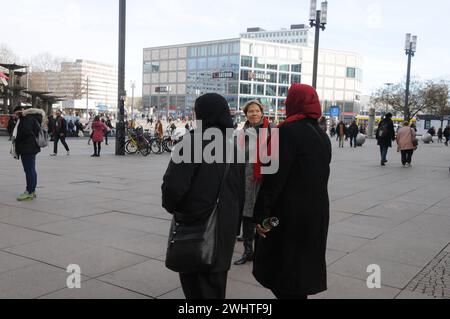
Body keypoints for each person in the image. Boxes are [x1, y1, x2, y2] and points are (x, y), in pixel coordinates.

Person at [252, 84, 332, 299]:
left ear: (293, 102)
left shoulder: (285, 132)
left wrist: (260, 215)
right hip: (315, 213)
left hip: (284, 216)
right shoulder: (321, 135)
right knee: (299, 270)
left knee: (280, 268)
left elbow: (273, 181)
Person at [162, 93, 245, 299]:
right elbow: (239, 193)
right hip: (224, 228)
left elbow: (172, 188)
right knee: (215, 287)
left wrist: (176, 209)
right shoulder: (233, 147)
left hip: (197, 227)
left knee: (196, 289)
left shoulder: (191, 144)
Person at [234, 100, 273, 266]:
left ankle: (265, 252)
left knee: (265, 214)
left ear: (262, 112)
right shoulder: (243, 131)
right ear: (246, 114)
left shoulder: (271, 131)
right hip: (247, 178)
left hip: (264, 178)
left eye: (257, 111)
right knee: (247, 214)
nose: (254, 114)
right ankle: (248, 251)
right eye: (250, 111)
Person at [13, 107, 46, 201]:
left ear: (20, 111)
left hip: (27, 148)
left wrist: (16, 139)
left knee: (29, 170)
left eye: (15, 113)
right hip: (31, 147)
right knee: (31, 169)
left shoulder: (26, 119)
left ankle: (29, 192)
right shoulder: (33, 118)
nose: (15, 116)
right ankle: (32, 191)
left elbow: (24, 133)